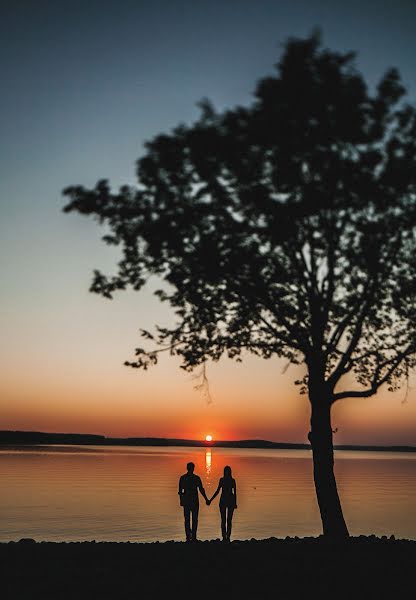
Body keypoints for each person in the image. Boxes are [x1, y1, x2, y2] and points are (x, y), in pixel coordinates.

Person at [178, 461, 210, 542]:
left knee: (188, 519)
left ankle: (189, 536)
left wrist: (181, 500)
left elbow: (180, 491)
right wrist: (206, 499)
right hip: (193, 501)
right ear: (193, 468)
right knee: (194, 519)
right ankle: (192, 536)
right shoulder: (196, 478)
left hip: (188, 501)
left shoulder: (183, 478)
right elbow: (201, 490)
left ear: (187, 468)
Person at [209, 465, 237, 542]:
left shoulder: (232, 480)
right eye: (226, 471)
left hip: (230, 501)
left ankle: (228, 537)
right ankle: (224, 536)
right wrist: (211, 500)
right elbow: (218, 491)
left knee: (229, 520)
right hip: (223, 501)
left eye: (227, 471)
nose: (227, 472)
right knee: (223, 520)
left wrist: (235, 503)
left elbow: (235, 493)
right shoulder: (222, 480)